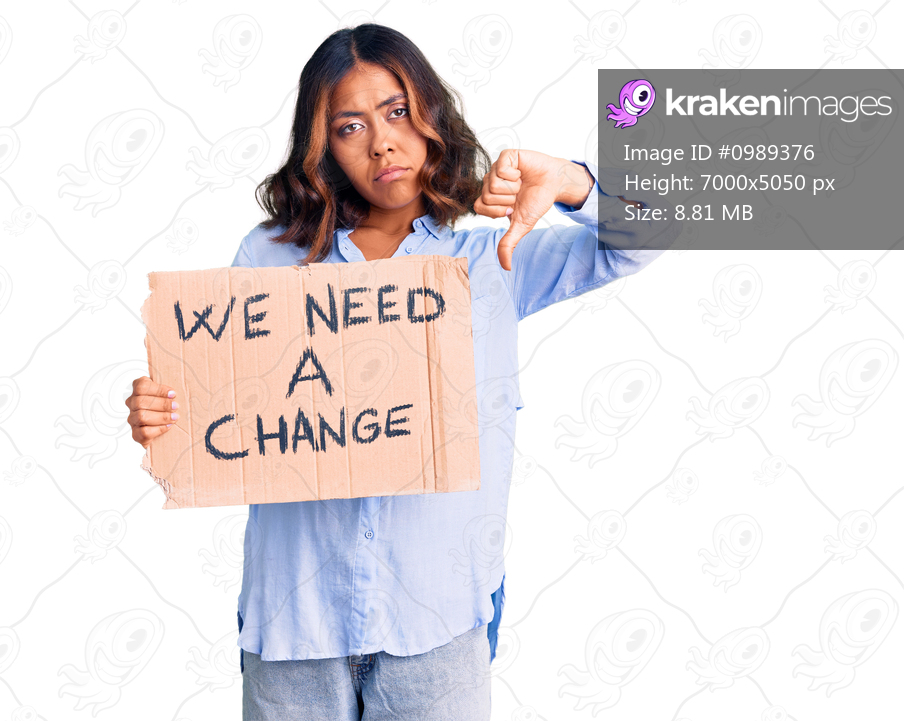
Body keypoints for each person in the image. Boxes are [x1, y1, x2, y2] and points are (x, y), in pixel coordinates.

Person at [125, 23, 674, 721]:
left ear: (432, 116)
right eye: (350, 126)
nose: (382, 143)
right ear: (323, 149)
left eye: (397, 111)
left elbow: (648, 238)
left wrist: (570, 181)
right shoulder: (269, 257)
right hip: (294, 629)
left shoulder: (491, 258)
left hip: (437, 628)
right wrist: (164, 412)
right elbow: (225, 407)